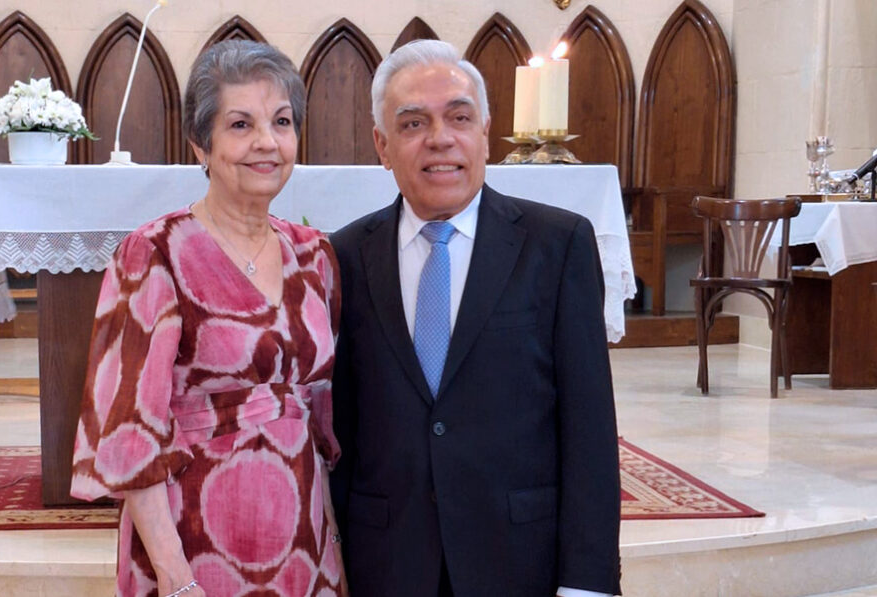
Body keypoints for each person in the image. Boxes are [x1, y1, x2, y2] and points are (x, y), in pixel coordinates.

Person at [329, 40, 621, 597]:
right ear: (382, 146)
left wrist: (587, 583)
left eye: (459, 117)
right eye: (413, 123)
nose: (440, 138)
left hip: (518, 560)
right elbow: (341, 427)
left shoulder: (557, 245)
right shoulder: (346, 256)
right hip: (386, 563)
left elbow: (589, 430)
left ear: (485, 132)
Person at [71, 40, 345, 597]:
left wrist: (332, 543)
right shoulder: (155, 253)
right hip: (195, 538)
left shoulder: (314, 254)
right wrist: (176, 578)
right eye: (241, 124)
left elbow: (321, 418)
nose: (267, 142)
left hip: (303, 538)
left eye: (282, 122)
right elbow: (128, 431)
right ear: (201, 144)